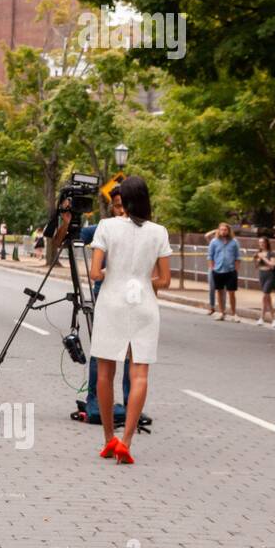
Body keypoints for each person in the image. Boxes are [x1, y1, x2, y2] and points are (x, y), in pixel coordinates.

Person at [88, 176, 172, 465]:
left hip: (112, 302)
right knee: (139, 375)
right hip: (145, 304)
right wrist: (142, 280)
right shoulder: (159, 232)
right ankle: (127, 442)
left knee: (104, 372)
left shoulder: (107, 227)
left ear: (123, 199)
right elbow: (166, 279)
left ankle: (109, 437)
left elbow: (95, 272)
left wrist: (116, 274)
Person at [79, 192, 132, 425]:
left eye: (125, 206)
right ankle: (95, 400)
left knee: (133, 351)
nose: (121, 211)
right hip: (106, 291)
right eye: (118, 206)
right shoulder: (103, 227)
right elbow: (73, 237)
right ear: (111, 207)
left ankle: (131, 403)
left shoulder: (143, 228)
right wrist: (68, 220)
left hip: (132, 296)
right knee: (101, 350)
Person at [206, 222, 241, 321]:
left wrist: (236, 269)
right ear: (218, 230)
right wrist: (212, 268)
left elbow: (238, 256)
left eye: (225, 230)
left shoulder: (234, 242)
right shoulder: (214, 241)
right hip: (217, 270)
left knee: (231, 293)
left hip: (230, 270)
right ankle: (221, 312)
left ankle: (234, 313)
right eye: (221, 229)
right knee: (219, 291)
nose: (223, 231)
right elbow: (210, 256)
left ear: (228, 231)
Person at [254, 236, 275, 326]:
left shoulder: (271, 253)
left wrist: (263, 258)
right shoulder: (258, 253)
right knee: (267, 297)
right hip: (261, 274)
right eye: (259, 242)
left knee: (265, 295)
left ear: (267, 243)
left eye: (263, 242)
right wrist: (257, 260)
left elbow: (273, 265)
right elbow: (256, 266)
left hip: (269, 275)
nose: (261, 244)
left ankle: (267, 318)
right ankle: (269, 318)